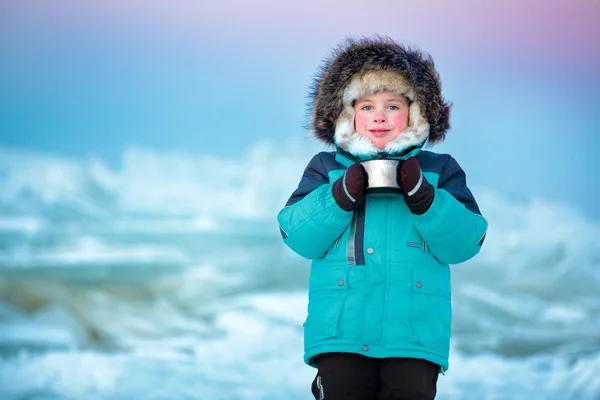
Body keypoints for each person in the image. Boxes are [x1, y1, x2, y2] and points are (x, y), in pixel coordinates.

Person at [277, 36, 488, 400]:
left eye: (393, 105)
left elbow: (466, 243)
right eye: (366, 106)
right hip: (342, 333)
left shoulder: (439, 171)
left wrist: (424, 197)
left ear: (416, 112)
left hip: (413, 335)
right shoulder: (326, 169)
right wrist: (339, 195)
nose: (379, 116)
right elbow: (296, 235)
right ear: (346, 114)